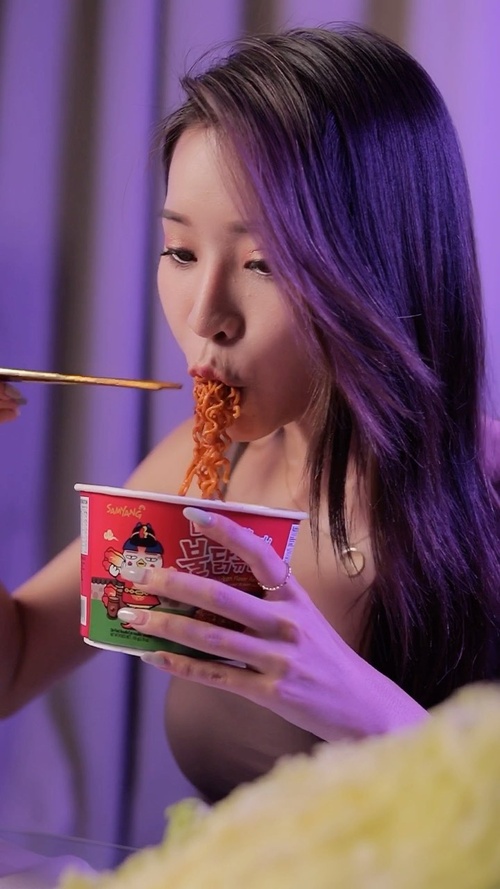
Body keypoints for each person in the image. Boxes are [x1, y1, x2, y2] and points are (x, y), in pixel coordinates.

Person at [1, 25, 500, 805]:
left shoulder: (486, 491)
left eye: (263, 263)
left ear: (380, 266)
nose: (206, 316)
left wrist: (353, 701)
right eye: (180, 252)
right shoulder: (205, 471)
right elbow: (15, 663)